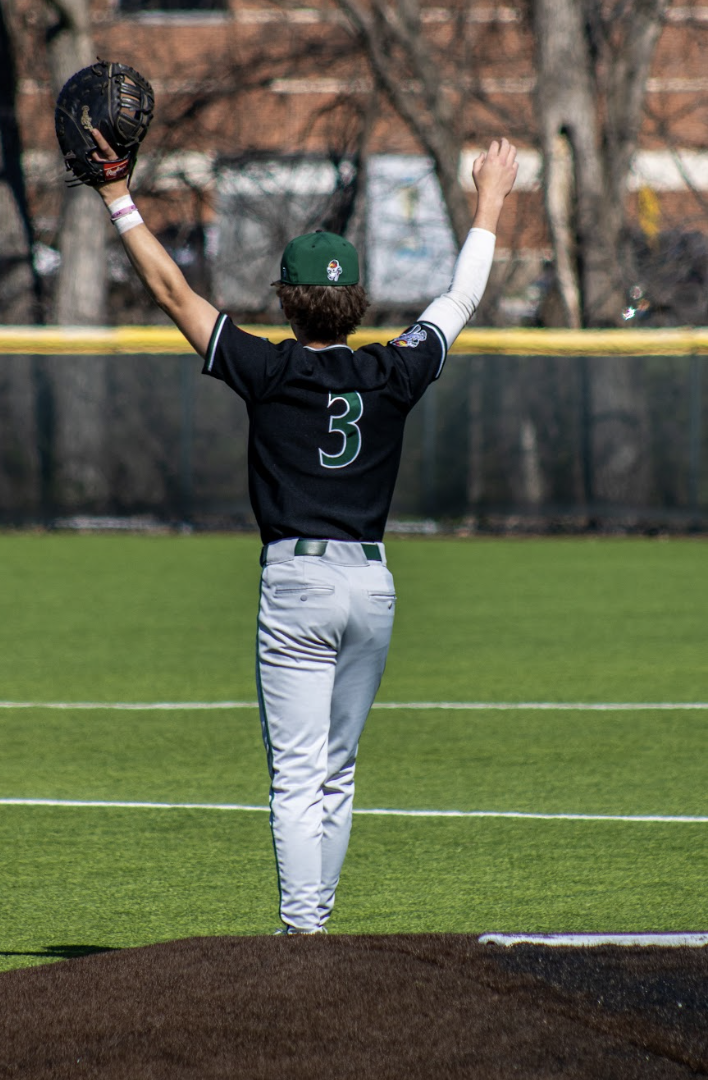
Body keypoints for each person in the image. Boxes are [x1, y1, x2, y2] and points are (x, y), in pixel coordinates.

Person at [91, 129, 518, 934]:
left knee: (294, 775)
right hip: (372, 583)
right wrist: (490, 199)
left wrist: (117, 196)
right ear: (355, 300)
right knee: (337, 773)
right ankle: (314, 930)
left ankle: (303, 937)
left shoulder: (269, 368)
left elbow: (174, 293)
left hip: (297, 580)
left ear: (287, 299)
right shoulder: (393, 370)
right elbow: (460, 298)